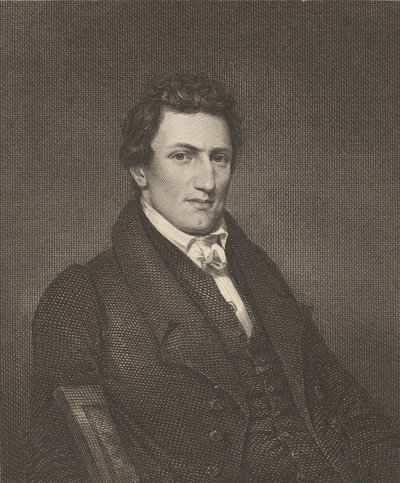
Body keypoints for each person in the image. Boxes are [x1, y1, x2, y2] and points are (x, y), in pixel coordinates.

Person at [29, 72, 399, 482]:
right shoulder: (83, 296)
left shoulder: (258, 271)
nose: (207, 182)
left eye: (218, 158)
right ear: (140, 170)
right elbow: (60, 462)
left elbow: (345, 403)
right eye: (182, 156)